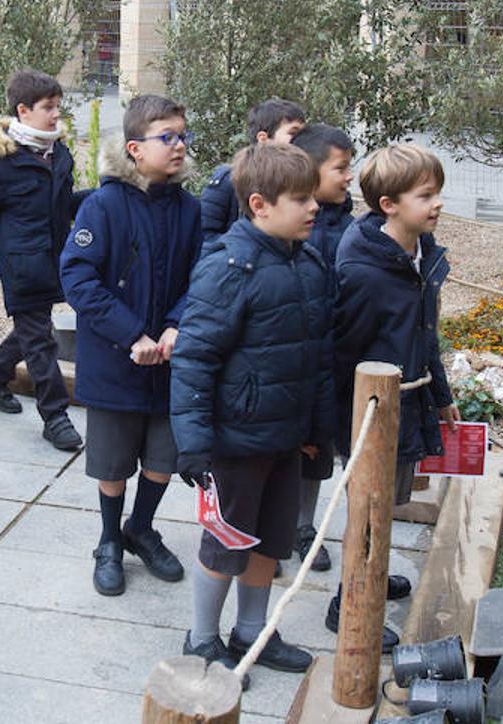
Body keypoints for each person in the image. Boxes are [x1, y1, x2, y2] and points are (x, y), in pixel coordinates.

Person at [171, 142, 334, 682]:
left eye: (314, 196)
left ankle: (253, 632)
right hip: (234, 441)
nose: (314, 208)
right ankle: (201, 639)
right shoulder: (228, 268)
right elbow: (195, 359)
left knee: (271, 540)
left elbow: (315, 356)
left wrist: (315, 429)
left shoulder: (308, 262)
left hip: (285, 438)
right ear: (260, 204)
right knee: (228, 542)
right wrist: (193, 442)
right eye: (301, 199)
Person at [60, 94, 202, 597]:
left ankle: (140, 529)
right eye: (168, 137)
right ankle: (108, 542)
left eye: (183, 135)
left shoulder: (190, 210)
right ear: (135, 148)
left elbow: (200, 277)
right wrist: (132, 335)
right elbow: (78, 279)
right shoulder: (103, 205)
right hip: (116, 364)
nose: (180, 146)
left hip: (168, 366)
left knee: (163, 458)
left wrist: (175, 325)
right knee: (113, 465)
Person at [325, 142, 460, 648]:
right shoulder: (362, 271)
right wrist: (335, 423)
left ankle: (373, 576)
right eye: (426, 195)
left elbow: (426, 335)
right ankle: (349, 601)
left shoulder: (419, 255)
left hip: (409, 400)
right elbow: (342, 352)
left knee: (391, 501)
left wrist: (441, 395)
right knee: (370, 507)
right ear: (389, 206)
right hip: (372, 413)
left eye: (437, 192)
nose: (438, 203)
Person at [0, 69, 83, 452]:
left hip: (53, 259)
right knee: (41, 341)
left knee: (32, 332)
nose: (55, 115)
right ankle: (56, 417)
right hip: (22, 267)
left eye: (57, 107)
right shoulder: (2, 163)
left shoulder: (58, 153)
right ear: (23, 110)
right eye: (48, 108)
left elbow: (63, 205)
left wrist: (106, 198)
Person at [282, 123, 355, 574]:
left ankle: (304, 526)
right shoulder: (293, 229)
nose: (350, 177)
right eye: (340, 168)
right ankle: (271, 528)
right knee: (286, 448)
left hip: (332, 361)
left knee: (317, 452)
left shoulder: (352, 228)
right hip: (295, 360)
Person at [199, 98, 306, 244]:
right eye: (294, 133)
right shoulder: (229, 179)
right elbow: (203, 237)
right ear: (263, 139)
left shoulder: (302, 181)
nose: (302, 140)